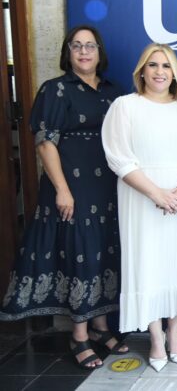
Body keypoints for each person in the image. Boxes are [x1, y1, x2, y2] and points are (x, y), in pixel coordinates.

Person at [0, 25, 128, 369]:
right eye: (77, 46)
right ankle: (79, 335)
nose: (84, 52)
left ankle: (101, 327)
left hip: (108, 188)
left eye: (90, 46)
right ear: (67, 52)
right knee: (80, 254)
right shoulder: (55, 90)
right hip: (71, 187)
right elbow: (45, 143)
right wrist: (62, 189)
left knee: (103, 252)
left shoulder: (113, 91)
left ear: (99, 52)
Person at [101, 43, 177, 372]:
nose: (160, 72)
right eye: (153, 65)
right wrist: (157, 195)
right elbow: (119, 158)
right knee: (147, 264)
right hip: (141, 199)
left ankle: (174, 334)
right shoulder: (125, 106)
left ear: (175, 73)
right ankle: (155, 337)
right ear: (142, 71)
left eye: (166, 65)